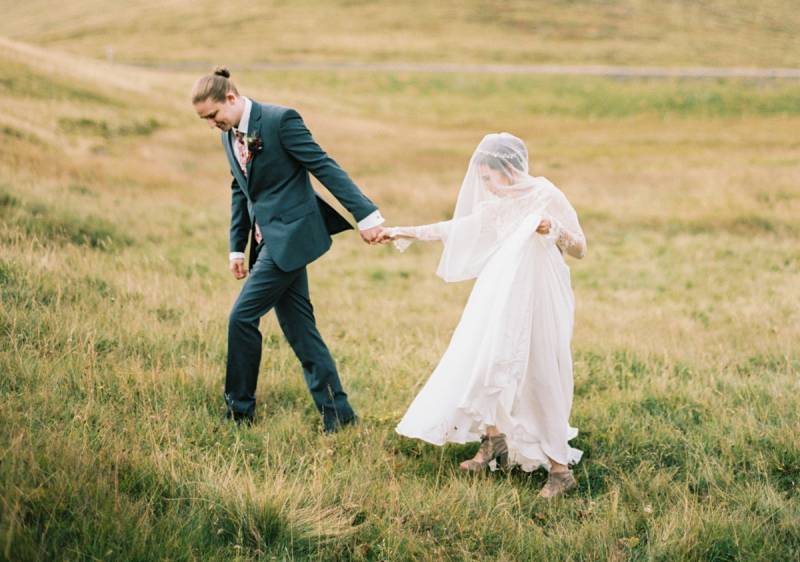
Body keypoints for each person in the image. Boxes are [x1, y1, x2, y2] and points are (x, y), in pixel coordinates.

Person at [385, 133, 586, 498]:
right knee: (488, 363)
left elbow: (581, 248)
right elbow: (454, 229)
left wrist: (552, 228)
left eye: (488, 178)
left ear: (508, 170)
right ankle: (494, 439)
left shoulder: (547, 195)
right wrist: (404, 231)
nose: (484, 186)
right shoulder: (496, 205)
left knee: (538, 372)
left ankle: (559, 470)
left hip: (539, 296)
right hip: (500, 295)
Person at [192, 67, 385, 431]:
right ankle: (339, 416)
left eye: (213, 115)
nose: (211, 124)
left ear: (230, 98)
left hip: (291, 238)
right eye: (205, 119)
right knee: (301, 331)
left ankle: (239, 411)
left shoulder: (281, 121)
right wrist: (237, 247)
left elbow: (324, 166)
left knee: (241, 318)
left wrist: (367, 215)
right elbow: (240, 188)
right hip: (266, 244)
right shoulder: (229, 134)